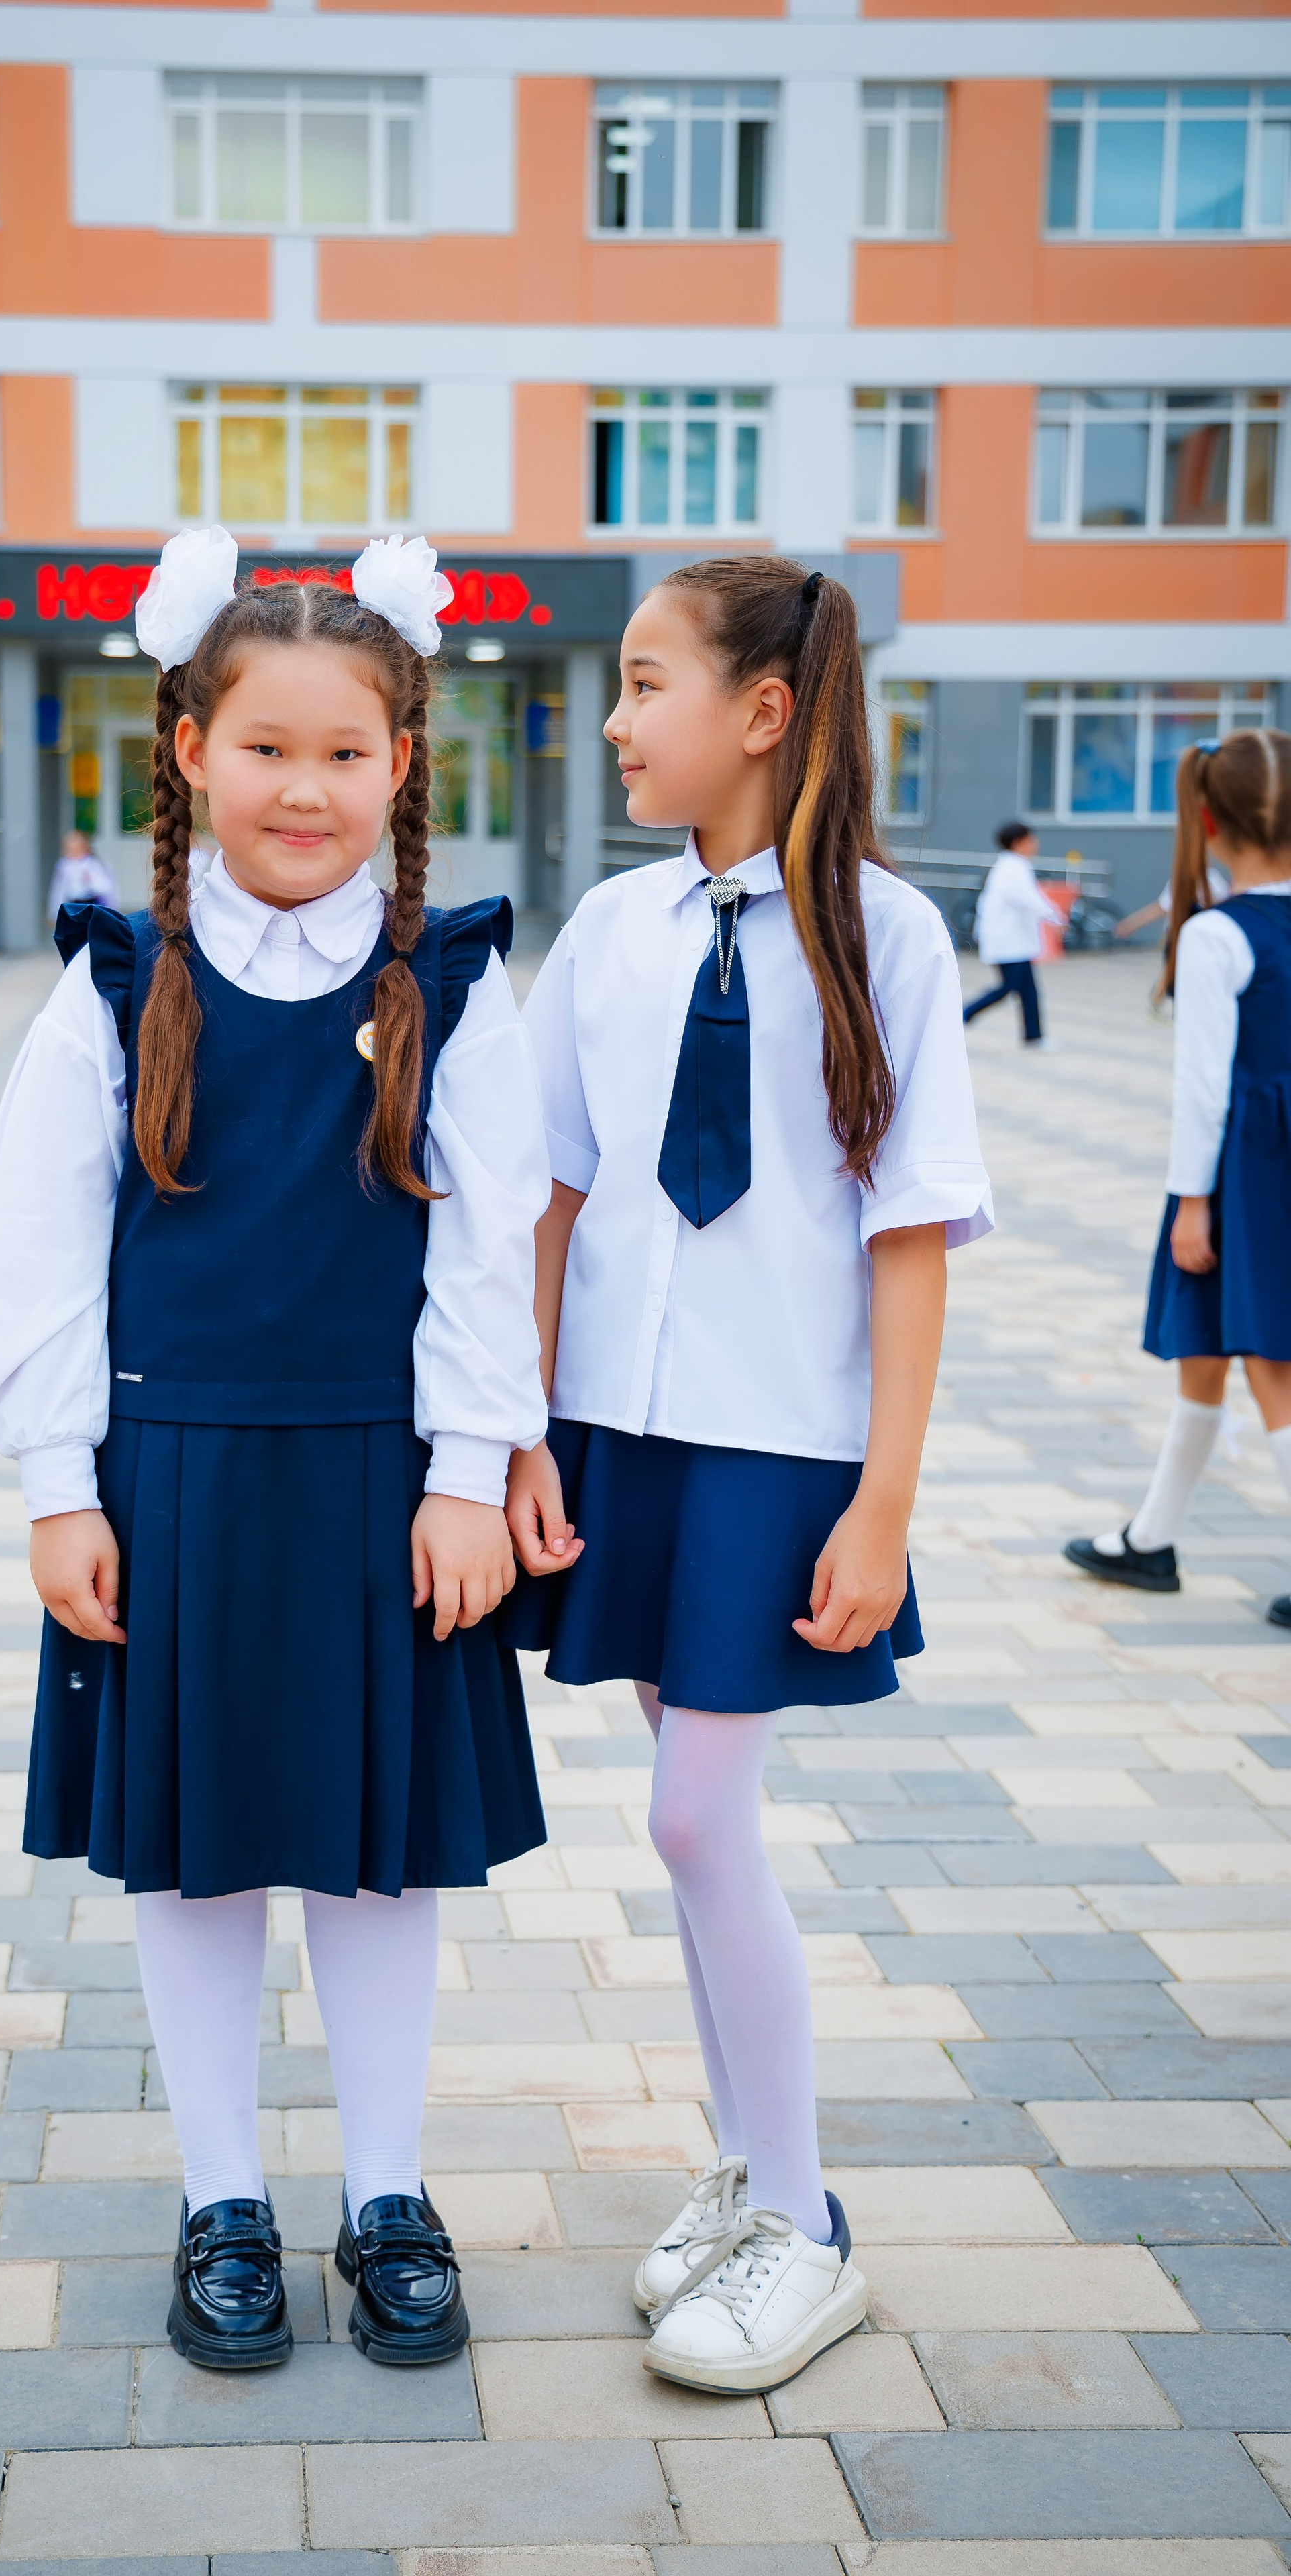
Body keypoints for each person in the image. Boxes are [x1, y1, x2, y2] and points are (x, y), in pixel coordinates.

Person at [0, 529, 551, 2373]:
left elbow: (488, 1236)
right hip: (178, 1484)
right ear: (191, 749)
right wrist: (59, 1484)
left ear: (402, 765)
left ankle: (386, 2195)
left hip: (385, 1485)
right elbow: (34, 1249)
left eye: (348, 750)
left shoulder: (447, 983)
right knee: (199, 1860)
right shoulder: (113, 978)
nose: (309, 786)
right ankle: (224, 2196)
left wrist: (471, 1470)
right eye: (269, 745)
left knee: (380, 1860)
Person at [503, 557, 992, 2395]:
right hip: (629, 1428)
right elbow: (552, 1194)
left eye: (645, 686)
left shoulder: (894, 935)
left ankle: (803, 2217)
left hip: (786, 1443)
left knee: (697, 1822)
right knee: (691, 1822)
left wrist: (885, 1502)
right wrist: (530, 1435)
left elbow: (912, 1234)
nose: (618, 721)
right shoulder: (616, 935)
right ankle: (748, 2170)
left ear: (761, 713)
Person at [1065, 729, 1291, 1629]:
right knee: (1211, 1349)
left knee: (1272, 1361)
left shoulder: (1215, 936)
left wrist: (1192, 1203)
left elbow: (1204, 1091)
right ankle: (1150, 1538)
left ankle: (1152, 1540)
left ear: (1205, 815)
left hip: (1246, 1171)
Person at [961, 822, 1063, 1047]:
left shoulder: (1013, 866)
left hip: (1012, 941)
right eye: (1030, 840)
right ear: (1018, 843)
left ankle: (1034, 1036)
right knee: (1009, 987)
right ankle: (963, 1015)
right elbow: (1028, 899)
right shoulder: (1012, 869)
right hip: (1007, 941)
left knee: (1028, 989)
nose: (1035, 844)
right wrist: (1056, 918)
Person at [1113, 856, 1231, 947]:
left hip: (1184, 939)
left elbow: (1160, 908)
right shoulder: (1213, 879)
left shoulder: (1193, 879)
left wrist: (1129, 926)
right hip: (1200, 939)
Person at [44, 828, 118, 924]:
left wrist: (90, 880)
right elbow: (59, 890)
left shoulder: (94, 864)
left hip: (92, 904)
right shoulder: (64, 866)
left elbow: (106, 888)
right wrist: (54, 912)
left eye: (75, 849)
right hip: (72, 905)